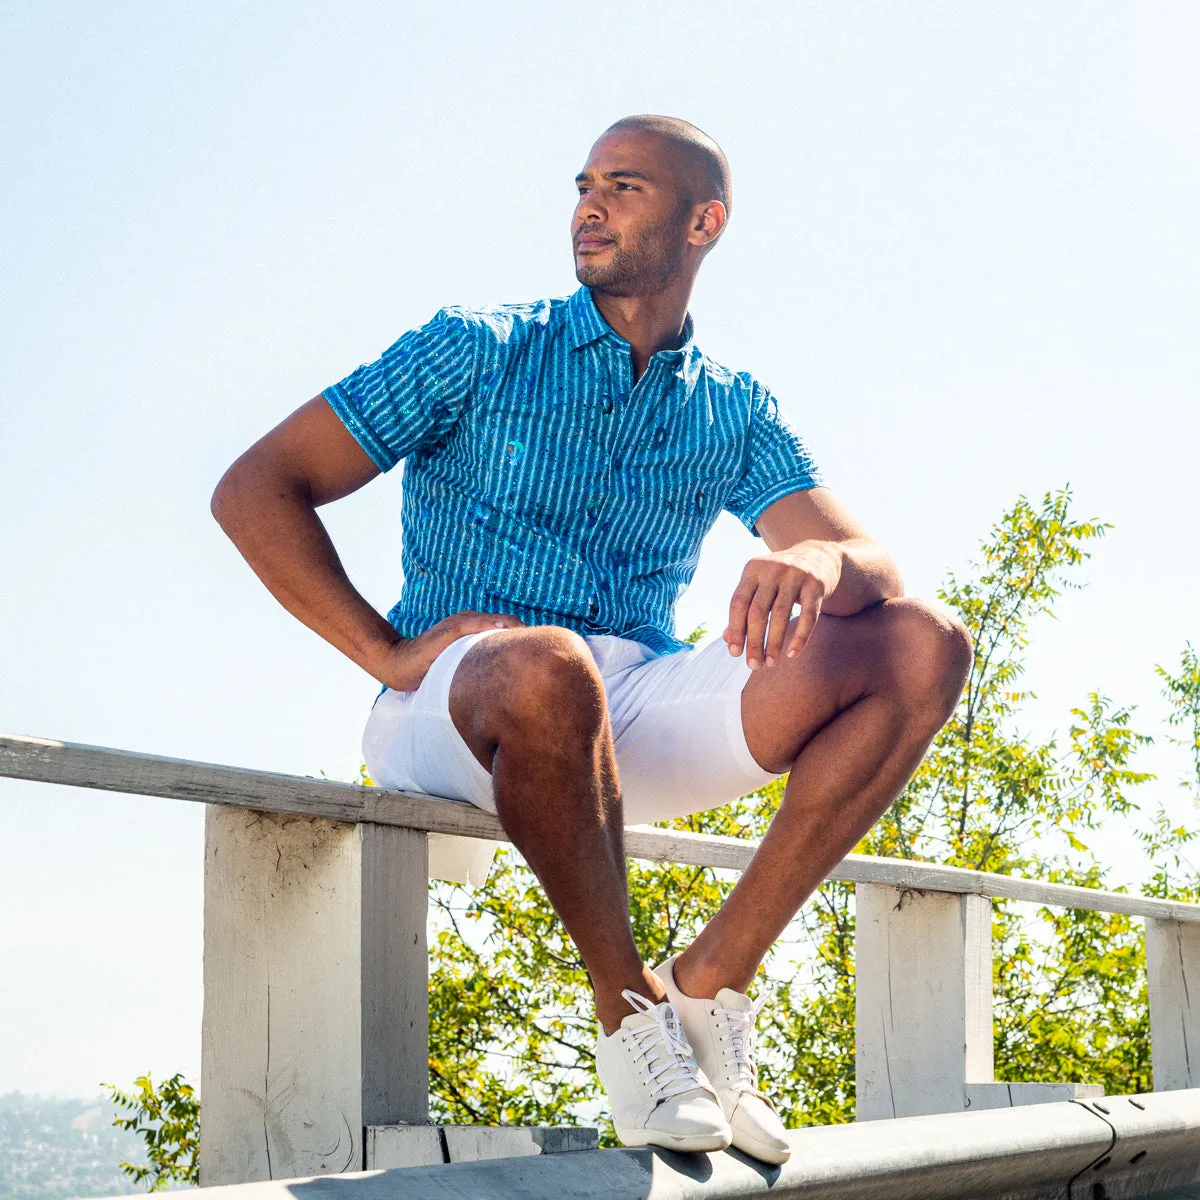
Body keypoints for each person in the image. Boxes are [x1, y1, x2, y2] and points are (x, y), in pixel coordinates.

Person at [211, 114, 973, 1163]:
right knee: (548, 663)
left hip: (634, 709)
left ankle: (708, 984)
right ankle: (630, 1022)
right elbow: (257, 487)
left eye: (626, 186)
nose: (589, 206)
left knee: (924, 642)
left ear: (704, 221)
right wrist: (385, 653)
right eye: (584, 185)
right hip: (459, 704)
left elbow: (867, 557)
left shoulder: (732, 408)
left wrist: (818, 562)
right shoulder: (477, 345)